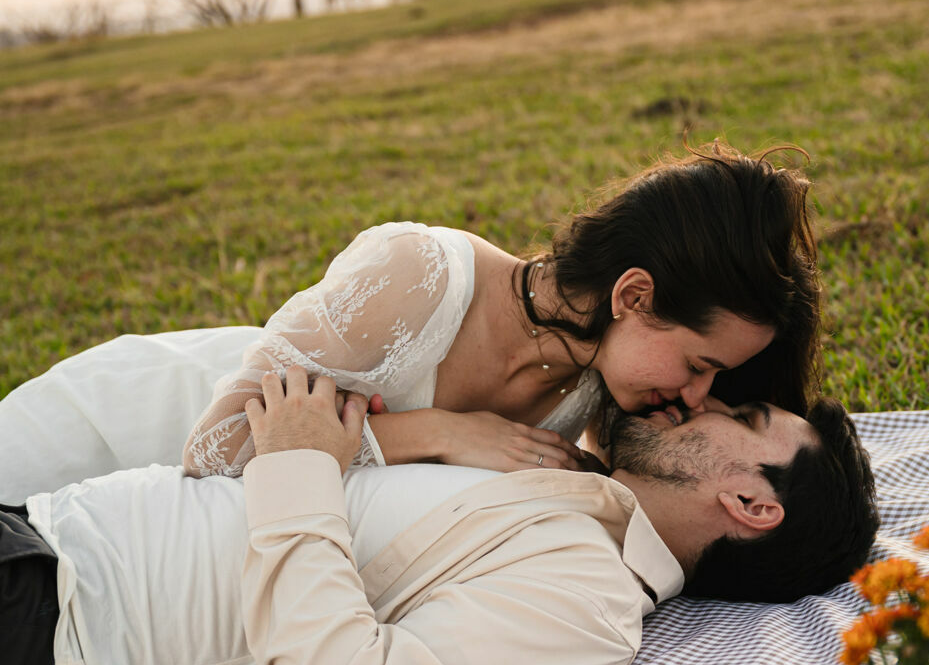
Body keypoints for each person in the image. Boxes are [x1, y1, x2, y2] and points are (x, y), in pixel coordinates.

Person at [1, 370, 877, 665]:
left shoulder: (591, 601)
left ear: (754, 505)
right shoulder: (567, 482)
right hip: (48, 522)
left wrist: (298, 464)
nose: (706, 400)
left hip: (55, 620)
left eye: (744, 414)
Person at [0, 143, 821, 504]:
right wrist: (437, 432)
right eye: (700, 364)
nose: (696, 392)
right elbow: (213, 457)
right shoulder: (416, 274)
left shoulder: (599, 390)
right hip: (130, 430)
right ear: (634, 296)